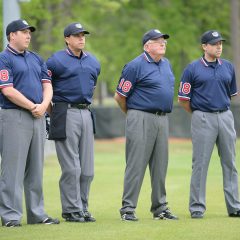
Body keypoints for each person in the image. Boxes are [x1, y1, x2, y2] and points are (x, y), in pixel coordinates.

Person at [0, 19, 59, 227]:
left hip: (38, 116)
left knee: (36, 168)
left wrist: (43, 105)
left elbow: (47, 85)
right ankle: (11, 216)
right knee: (12, 169)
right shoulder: (4, 58)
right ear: (11, 35)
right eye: (23, 32)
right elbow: (7, 90)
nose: (28, 35)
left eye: (29, 32)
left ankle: (36, 213)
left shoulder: (36, 58)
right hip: (14, 116)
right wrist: (33, 106)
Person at [114, 29, 178, 221]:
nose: (163, 43)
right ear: (147, 46)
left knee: (160, 165)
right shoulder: (135, 65)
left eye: (164, 41)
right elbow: (119, 96)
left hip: (162, 118)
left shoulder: (166, 64)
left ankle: (160, 208)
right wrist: (133, 114)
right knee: (136, 164)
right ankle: (127, 209)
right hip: (140, 116)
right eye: (158, 41)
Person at [178, 30, 240, 219]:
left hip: (225, 116)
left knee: (230, 163)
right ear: (204, 46)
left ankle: (235, 206)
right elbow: (183, 99)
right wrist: (198, 113)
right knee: (200, 164)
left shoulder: (228, 67)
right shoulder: (192, 68)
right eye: (214, 44)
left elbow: (231, 93)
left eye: (220, 43)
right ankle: (197, 207)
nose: (218, 46)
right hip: (203, 117)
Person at [46, 22, 100, 223]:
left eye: (83, 35)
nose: (81, 38)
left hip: (86, 112)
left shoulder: (93, 62)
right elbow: (45, 88)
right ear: (67, 39)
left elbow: (91, 88)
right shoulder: (55, 61)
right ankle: (71, 209)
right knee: (71, 168)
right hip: (65, 112)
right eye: (76, 35)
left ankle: (83, 207)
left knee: (87, 169)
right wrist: (54, 112)